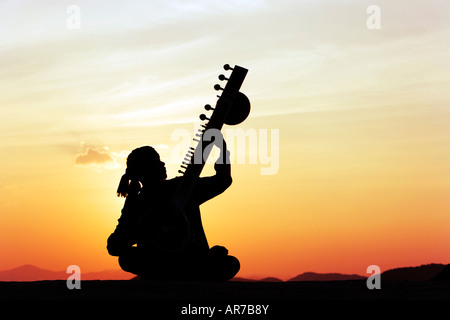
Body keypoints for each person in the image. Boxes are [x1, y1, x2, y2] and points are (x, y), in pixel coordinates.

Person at [107, 138, 240, 281]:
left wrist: (131, 202)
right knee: (229, 263)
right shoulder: (179, 188)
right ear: (147, 169)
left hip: (165, 267)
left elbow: (115, 246)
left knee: (126, 258)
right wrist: (222, 150)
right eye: (157, 162)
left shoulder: (140, 202)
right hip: (189, 265)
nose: (163, 163)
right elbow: (223, 180)